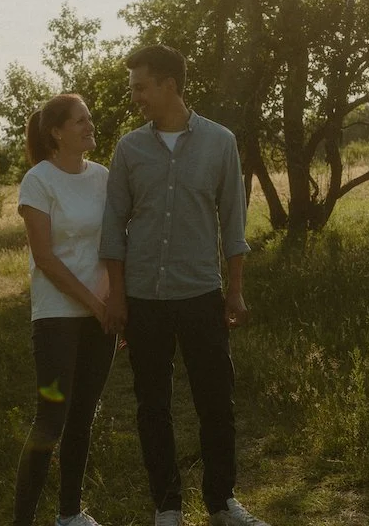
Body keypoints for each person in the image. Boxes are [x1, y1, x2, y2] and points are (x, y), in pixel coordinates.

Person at [100, 45, 270, 526]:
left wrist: (234, 290)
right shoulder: (129, 149)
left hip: (200, 293)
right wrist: (116, 294)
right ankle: (167, 506)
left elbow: (233, 223)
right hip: (145, 297)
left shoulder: (220, 143)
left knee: (215, 400)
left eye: (140, 87)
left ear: (169, 84)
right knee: (152, 405)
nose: (135, 97)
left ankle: (221, 503)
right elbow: (113, 227)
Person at [13, 94, 117, 526]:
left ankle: (70, 515)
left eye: (90, 118)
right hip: (58, 317)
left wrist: (116, 305)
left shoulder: (104, 177)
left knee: (82, 418)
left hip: (101, 318)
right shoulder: (38, 181)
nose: (90, 125)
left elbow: (113, 245)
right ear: (56, 132)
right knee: (51, 420)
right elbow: (46, 259)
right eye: (81, 120)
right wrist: (95, 303)